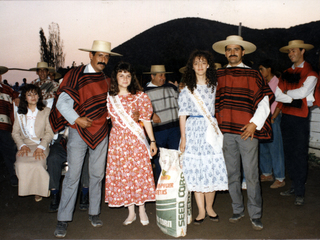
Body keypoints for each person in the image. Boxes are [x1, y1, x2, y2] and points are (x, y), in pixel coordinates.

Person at [50, 40, 121, 238]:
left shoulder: (107, 80)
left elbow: (112, 106)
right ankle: (63, 219)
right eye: (100, 56)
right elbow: (62, 103)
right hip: (78, 131)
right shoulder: (74, 75)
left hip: (100, 132)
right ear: (91, 55)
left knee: (97, 175)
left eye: (107, 57)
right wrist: (77, 119)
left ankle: (94, 212)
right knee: (73, 175)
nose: (104, 60)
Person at [213, 35, 274, 230]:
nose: (232, 53)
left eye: (236, 49)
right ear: (225, 52)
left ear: (243, 52)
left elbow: (264, 102)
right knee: (232, 174)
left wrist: (254, 124)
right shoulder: (218, 75)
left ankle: (255, 214)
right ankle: (237, 209)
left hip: (247, 132)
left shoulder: (254, 75)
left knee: (252, 175)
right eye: (229, 50)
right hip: (226, 133)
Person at [178, 50, 228, 225]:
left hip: (210, 131)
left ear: (208, 65)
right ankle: (200, 211)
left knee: (210, 169)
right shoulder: (186, 89)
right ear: (192, 66)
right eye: (196, 63)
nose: (200, 66)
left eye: (203, 62)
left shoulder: (215, 86)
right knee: (196, 171)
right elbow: (182, 114)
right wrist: (183, 138)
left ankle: (210, 208)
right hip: (193, 131)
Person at [105, 62, 157, 226]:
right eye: (121, 75)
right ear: (116, 78)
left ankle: (142, 209)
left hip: (136, 141)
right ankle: (131, 212)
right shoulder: (109, 98)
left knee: (139, 174)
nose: (125, 78)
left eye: (128, 75)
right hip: (118, 142)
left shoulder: (140, 96)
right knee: (124, 175)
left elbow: (146, 121)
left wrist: (152, 141)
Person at [275, 40, 319, 206]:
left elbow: (304, 92)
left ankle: (300, 191)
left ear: (302, 51)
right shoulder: (285, 72)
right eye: (289, 52)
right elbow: (277, 95)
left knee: (299, 154)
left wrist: (287, 94)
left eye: (293, 51)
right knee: (289, 153)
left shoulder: (311, 73)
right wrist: (293, 97)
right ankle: (294, 185)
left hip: (300, 118)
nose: (290, 54)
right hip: (286, 116)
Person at [12, 84, 54, 201]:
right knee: (21, 164)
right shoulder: (20, 113)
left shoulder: (46, 111)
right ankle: (29, 188)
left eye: (35, 94)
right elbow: (15, 133)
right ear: (25, 98)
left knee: (37, 164)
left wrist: (41, 147)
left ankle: (39, 190)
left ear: (39, 96)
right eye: (29, 95)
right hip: (25, 145)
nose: (33, 97)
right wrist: (22, 146)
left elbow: (49, 132)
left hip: (41, 144)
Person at [143, 65, 180, 183]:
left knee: (176, 158)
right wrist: (151, 114)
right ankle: (161, 186)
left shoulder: (171, 88)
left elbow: (180, 103)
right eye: (160, 75)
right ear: (152, 76)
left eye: (164, 75)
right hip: (158, 131)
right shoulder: (145, 92)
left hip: (175, 129)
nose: (163, 78)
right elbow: (141, 110)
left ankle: (176, 185)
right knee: (160, 161)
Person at [258, 59, 286, 189]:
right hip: (263, 118)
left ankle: (280, 178)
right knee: (263, 147)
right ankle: (267, 173)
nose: (260, 72)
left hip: (273, 118)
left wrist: (274, 117)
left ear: (269, 69)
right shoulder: (263, 82)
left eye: (262, 69)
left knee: (275, 148)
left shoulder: (278, 82)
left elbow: (281, 102)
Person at [0, 66, 19, 186]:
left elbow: (16, 95)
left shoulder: (7, 90)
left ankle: (14, 177)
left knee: (9, 154)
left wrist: (17, 98)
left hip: (4, 128)